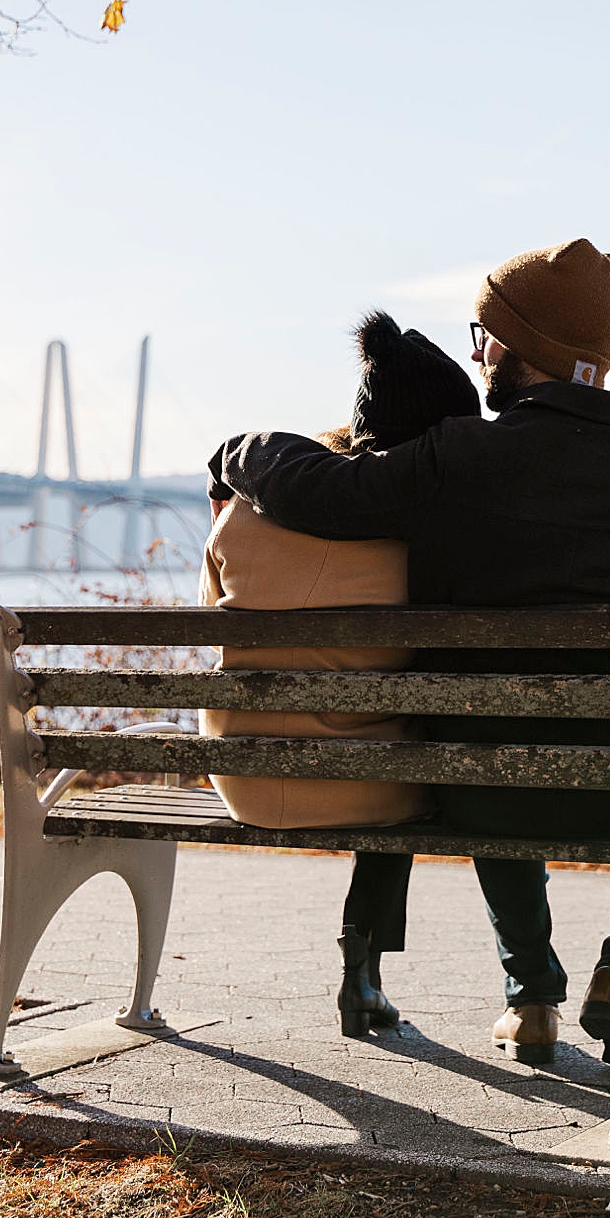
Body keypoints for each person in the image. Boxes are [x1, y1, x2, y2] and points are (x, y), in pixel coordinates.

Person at [206, 240, 610, 1068]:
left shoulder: (461, 456)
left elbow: (323, 490)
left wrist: (236, 450)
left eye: (482, 335)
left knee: (494, 758)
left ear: (519, 347)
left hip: (485, 794)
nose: (476, 352)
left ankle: (530, 998)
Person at [200, 310, 481, 1038]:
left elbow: (209, 621)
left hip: (241, 775)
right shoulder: (423, 535)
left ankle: (365, 970)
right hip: (367, 782)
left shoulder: (239, 515)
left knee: (378, 740)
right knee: (402, 758)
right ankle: (362, 969)